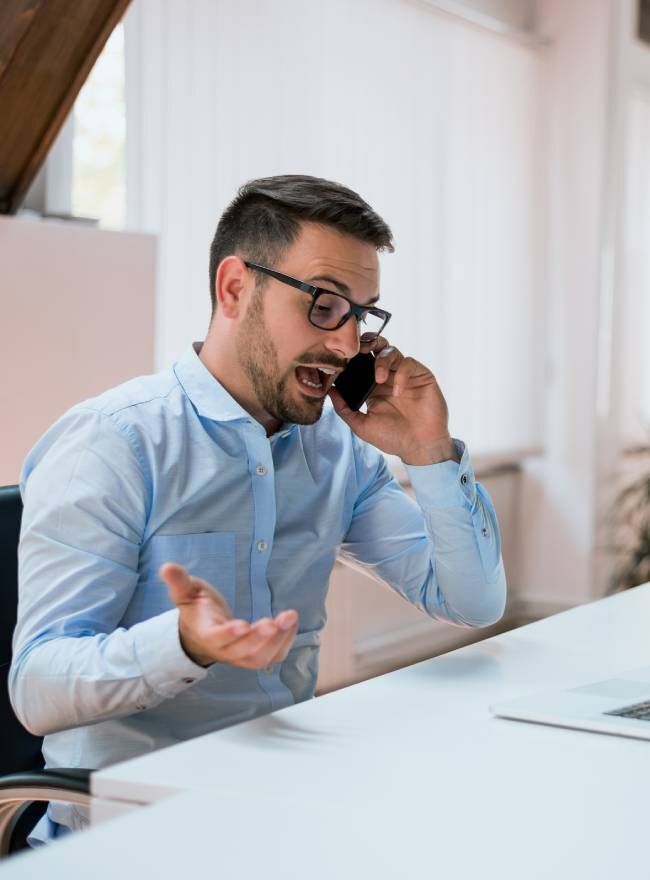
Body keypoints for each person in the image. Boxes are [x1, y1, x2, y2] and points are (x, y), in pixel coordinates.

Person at [10, 175, 507, 843]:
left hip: (281, 807)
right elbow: (38, 690)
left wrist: (429, 452)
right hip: (133, 832)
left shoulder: (335, 449)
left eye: (363, 314)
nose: (346, 344)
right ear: (235, 289)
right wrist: (183, 644)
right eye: (325, 305)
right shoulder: (115, 444)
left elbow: (471, 601)